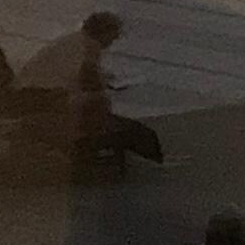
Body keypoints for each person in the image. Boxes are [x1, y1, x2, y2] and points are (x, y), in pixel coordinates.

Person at [15, 11, 163, 170]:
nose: (114, 40)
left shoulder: (72, 40)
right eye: (113, 36)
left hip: (28, 91)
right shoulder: (91, 46)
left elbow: (76, 72)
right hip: (43, 96)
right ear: (104, 33)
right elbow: (90, 81)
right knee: (99, 101)